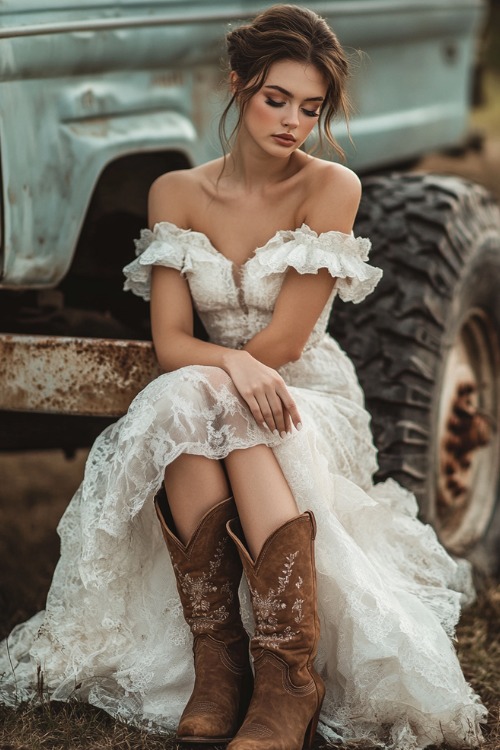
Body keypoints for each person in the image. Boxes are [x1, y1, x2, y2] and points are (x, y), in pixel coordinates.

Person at [0, 5, 487, 749]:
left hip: (303, 392)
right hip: (217, 381)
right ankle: (219, 662)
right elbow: (169, 342)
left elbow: (287, 340)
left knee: (214, 415)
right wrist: (225, 360)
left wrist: (229, 371)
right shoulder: (177, 193)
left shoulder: (331, 188)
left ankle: (288, 674)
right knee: (190, 408)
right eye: (276, 99)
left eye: (311, 108)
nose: (294, 121)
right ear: (238, 84)